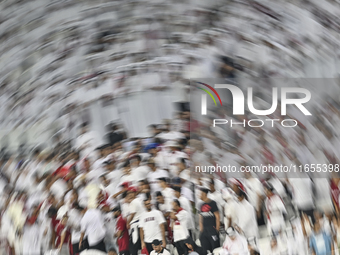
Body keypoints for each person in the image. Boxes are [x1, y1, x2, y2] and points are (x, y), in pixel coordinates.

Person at [199, 187, 220, 254]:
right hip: (205, 231)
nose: (199, 195)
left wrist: (217, 229)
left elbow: (217, 216)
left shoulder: (213, 203)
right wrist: (201, 230)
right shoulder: (201, 205)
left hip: (212, 229)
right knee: (206, 250)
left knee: (215, 249)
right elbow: (200, 218)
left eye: (200, 194)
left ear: (204, 194)